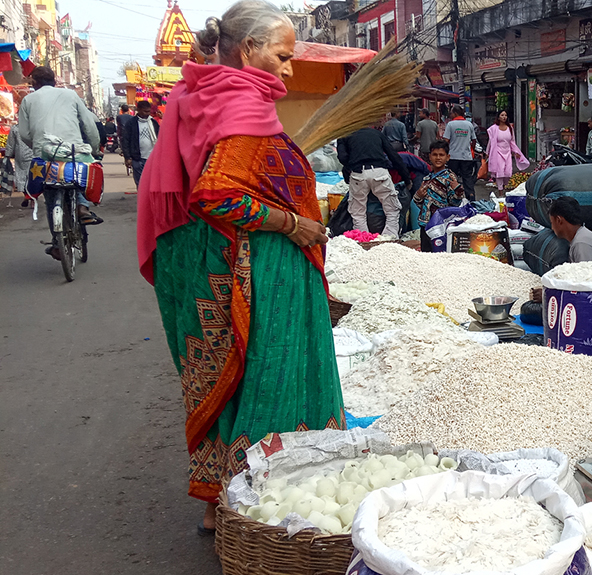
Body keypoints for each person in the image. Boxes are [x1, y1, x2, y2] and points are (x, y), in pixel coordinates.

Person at [135, 0, 345, 535]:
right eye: (282, 55)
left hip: (214, 262)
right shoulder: (240, 106)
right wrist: (291, 224)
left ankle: (218, 501)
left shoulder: (204, 92)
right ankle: (260, 506)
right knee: (267, 373)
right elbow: (217, 195)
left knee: (228, 384)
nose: (289, 67)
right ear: (249, 50)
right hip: (253, 269)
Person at [19, 65, 103, 234]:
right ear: (55, 80)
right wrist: (94, 148)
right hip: (74, 152)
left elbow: (24, 134)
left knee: (50, 197)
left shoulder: (28, 100)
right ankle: (83, 207)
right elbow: (89, 124)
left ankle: (57, 244)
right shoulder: (70, 95)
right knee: (79, 180)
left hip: (44, 157)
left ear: (34, 82)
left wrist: (37, 147)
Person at [337, 124, 413, 237]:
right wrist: (407, 179)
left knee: (358, 213)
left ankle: (363, 239)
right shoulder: (377, 134)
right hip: (379, 173)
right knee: (392, 209)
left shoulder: (345, 135)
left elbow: (342, 157)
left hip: (358, 174)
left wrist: (353, 166)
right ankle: (389, 238)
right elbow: (394, 156)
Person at [413, 140, 464, 251]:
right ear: (430, 157)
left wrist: (458, 190)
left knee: (439, 254)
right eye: (435, 155)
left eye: (441, 155)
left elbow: (455, 203)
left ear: (448, 157)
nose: (438, 158)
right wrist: (418, 196)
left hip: (441, 225)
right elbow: (419, 203)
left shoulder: (449, 178)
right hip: (425, 223)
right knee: (426, 253)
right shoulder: (426, 179)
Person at [548, 195, 592, 263]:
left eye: (552, 222)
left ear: (558, 220)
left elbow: (583, 273)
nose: (552, 228)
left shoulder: (581, 243)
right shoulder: (580, 237)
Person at [485, 110, 528, 195]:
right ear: (498, 117)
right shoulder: (494, 129)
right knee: (500, 172)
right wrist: (487, 153)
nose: (504, 117)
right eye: (502, 115)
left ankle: (503, 187)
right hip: (497, 153)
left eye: (505, 115)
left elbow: (512, 142)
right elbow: (491, 142)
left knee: (507, 173)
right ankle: (500, 192)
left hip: (507, 153)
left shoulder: (510, 128)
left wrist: (515, 152)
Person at [122, 100, 160, 189]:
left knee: (153, 183)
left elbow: (160, 137)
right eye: (145, 111)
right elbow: (125, 140)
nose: (147, 114)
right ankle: (143, 201)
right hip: (137, 158)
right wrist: (127, 157)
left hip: (152, 157)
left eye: (148, 111)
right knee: (141, 184)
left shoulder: (153, 123)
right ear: (138, 110)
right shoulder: (131, 123)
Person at [444, 105, 479, 201]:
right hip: (466, 157)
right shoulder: (469, 125)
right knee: (467, 178)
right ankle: (471, 197)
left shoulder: (450, 125)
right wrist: (470, 149)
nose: (450, 114)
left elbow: (446, 140)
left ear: (455, 113)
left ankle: (453, 197)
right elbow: (474, 140)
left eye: (451, 112)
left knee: (452, 178)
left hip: (453, 156)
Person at [6, 122, 33, 207]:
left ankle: (27, 196)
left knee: (21, 177)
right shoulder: (34, 126)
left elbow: (11, 143)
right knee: (33, 177)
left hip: (21, 156)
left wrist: (8, 154)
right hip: (34, 155)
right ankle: (31, 199)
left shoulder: (15, 128)